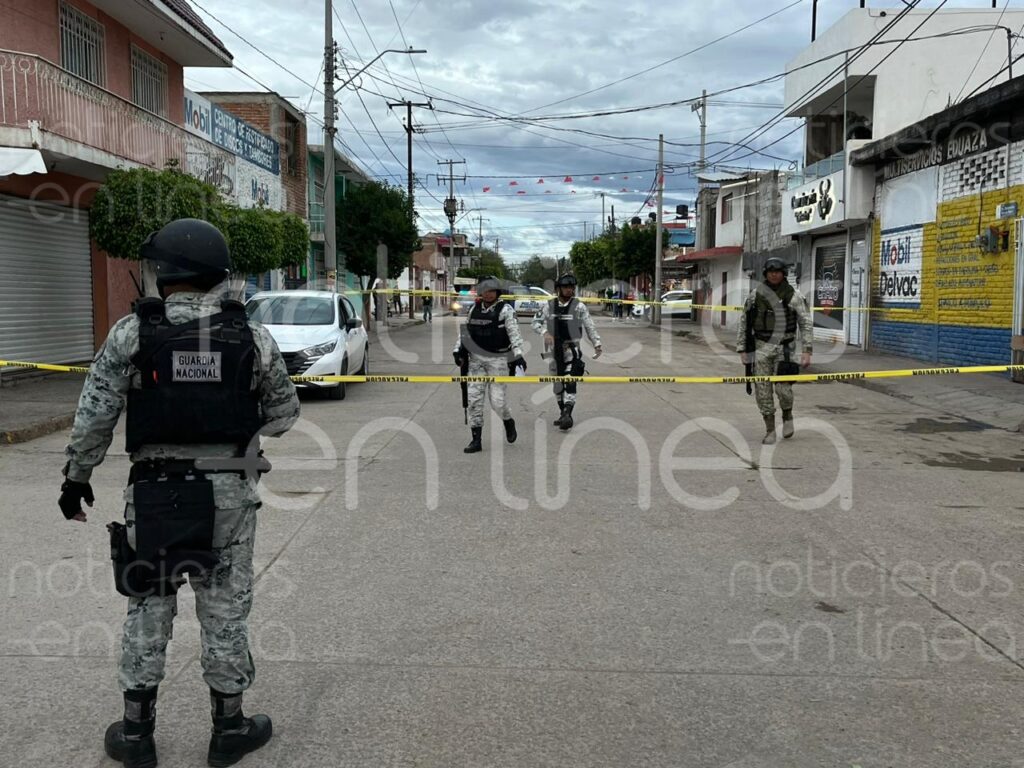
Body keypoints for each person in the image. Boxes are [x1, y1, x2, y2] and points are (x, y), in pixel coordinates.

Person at [58, 218, 300, 768]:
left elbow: (94, 414)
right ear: (218, 274)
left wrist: (77, 479)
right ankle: (230, 728)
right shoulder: (252, 336)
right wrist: (241, 434)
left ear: (162, 273)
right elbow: (285, 414)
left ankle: (137, 734)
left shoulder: (131, 333)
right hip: (229, 495)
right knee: (225, 611)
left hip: (153, 494)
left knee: (148, 606)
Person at [736, 256, 813, 444]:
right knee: (762, 390)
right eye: (770, 272)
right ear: (765, 274)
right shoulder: (755, 295)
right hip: (761, 347)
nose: (774, 275)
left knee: (783, 388)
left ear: (783, 273)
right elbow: (744, 322)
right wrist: (742, 349)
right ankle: (770, 429)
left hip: (785, 347)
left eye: (777, 272)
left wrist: (807, 349)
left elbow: (806, 323)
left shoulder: (794, 296)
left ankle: (787, 416)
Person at [453, 275, 527, 453]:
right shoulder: (474, 309)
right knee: (474, 401)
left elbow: (514, 333)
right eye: (484, 290)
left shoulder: (506, 310)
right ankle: (476, 440)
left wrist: (518, 355)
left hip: (498, 360)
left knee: (497, 402)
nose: (487, 294)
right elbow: (465, 333)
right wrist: (457, 350)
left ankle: (508, 421)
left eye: (491, 290)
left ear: (497, 292)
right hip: (476, 361)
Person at [532, 273, 602, 430]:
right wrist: (545, 333)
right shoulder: (548, 306)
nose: (569, 290)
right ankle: (562, 413)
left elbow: (589, 325)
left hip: (571, 348)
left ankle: (568, 414)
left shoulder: (579, 306)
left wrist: (597, 343)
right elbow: (535, 322)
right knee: (557, 384)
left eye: (572, 287)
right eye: (566, 287)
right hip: (552, 350)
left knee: (570, 380)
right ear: (559, 289)